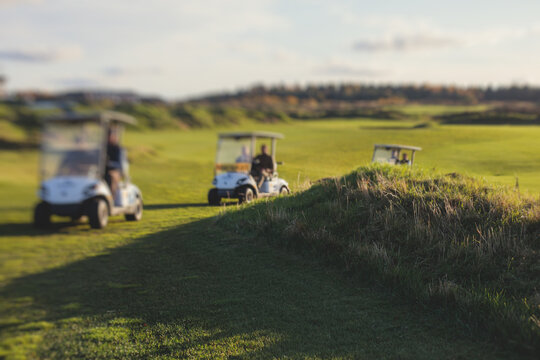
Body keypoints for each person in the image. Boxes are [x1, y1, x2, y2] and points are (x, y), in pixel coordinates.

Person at [105, 130, 123, 203]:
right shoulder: (103, 148)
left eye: (111, 136)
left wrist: (108, 163)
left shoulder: (117, 149)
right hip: (102, 170)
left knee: (110, 177)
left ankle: (110, 200)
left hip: (115, 170)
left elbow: (119, 164)